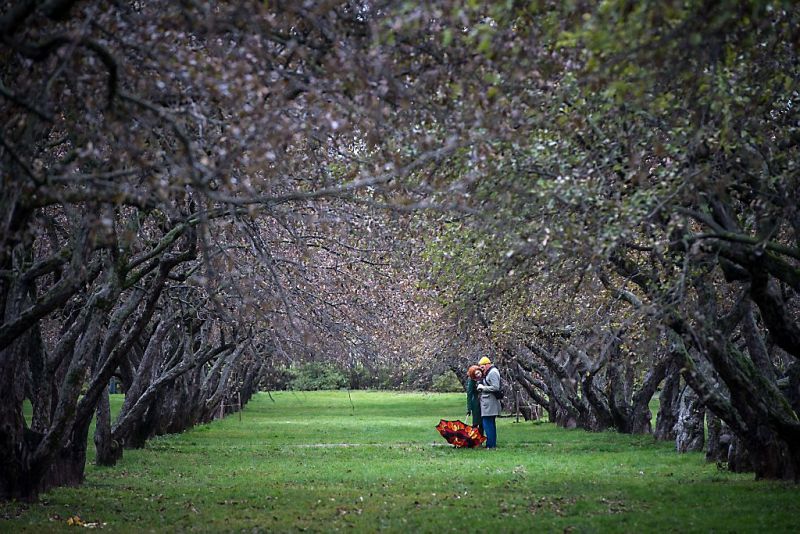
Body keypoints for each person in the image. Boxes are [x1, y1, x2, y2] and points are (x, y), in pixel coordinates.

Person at [476, 356, 501, 449]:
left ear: (487, 364)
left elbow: (495, 387)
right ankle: (491, 444)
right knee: (489, 423)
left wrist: (483, 388)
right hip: (487, 402)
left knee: (487, 424)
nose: (481, 369)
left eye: (482, 367)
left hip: (490, 403)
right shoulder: (488, 372)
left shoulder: (493, 372)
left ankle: (490, 445)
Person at [465, 365, 483, 434]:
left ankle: (480, 438)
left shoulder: (484, 377)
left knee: (482, 423)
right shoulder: (471, 381)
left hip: (484, 402)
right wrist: (469, 408)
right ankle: (474, 438)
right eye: (476, 374)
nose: (479, 375)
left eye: (479, 373)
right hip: (476, 403)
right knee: (476, 422)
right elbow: (469, 394)